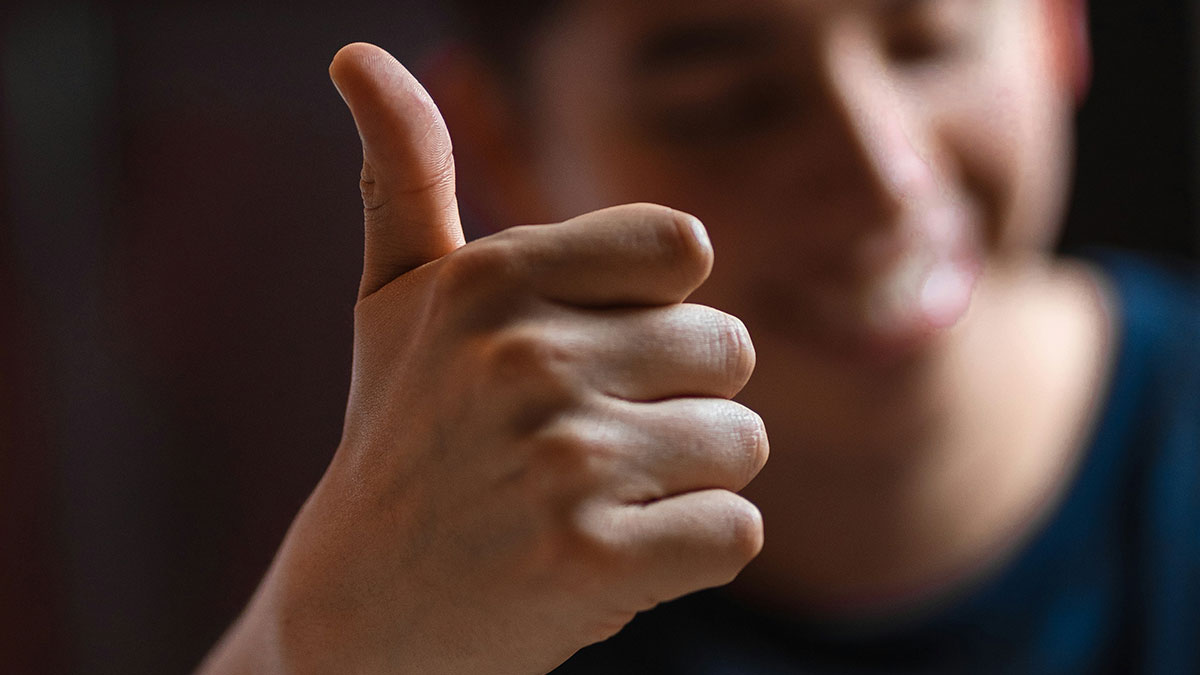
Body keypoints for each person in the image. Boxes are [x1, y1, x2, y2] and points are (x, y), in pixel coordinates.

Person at [199, 0, 1199, 672]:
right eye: (730, 106)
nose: (884, 176)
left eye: (928, 41)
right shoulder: (448, 583)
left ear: (1057, 26)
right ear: (498, 139)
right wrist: (321, 643)